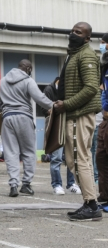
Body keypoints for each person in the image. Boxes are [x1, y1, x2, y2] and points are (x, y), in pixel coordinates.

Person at [53, 22, 102, 221]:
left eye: (78, 32)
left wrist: (67, 104)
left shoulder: (86, 55)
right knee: (78, 159)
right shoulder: (74, 54)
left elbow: (91, 87)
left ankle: (91, 205)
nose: (73, 34)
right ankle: (89, 202)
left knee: (78, 159)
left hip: (79, 114)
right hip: (75, 114)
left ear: (87, 37)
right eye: (73, 30)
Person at [0, 60, 53, 197]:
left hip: (7, 118)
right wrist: (54, 106)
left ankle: (13, 185)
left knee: (11, 153)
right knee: (28, 152)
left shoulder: (3, 81)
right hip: (23, 117)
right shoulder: (28, 80)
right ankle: (26, 184)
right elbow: (39, 98)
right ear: (28, 68)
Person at [44, 77, 80, 195]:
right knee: (56, 158)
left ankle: (71, 184)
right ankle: (57, 184)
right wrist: (55, 109)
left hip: (69, 124)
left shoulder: (69, 90)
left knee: (71, 157)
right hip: (56, 127)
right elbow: (44, 108)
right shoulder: (49, 90)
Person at [96, 33, 108, 206]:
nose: (102, 45)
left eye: (104, 43)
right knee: (101, 158)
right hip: (104, 119)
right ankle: (104, 196)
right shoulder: (104, 66)